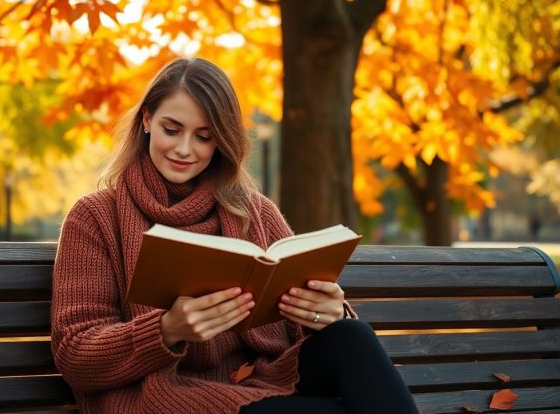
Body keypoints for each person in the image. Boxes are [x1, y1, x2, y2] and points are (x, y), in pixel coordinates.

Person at [51, 57, 418, 413]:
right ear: (147, 119)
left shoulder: (255, 212)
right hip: (164, 396)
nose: (184, 149)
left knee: (350, 335)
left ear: (221, 141)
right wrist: (167, 329)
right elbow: (75, 354)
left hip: (262, 381)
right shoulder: (95, 217)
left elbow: (300, 329)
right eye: (171, 129)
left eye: (204, 137)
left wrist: (329, 312)